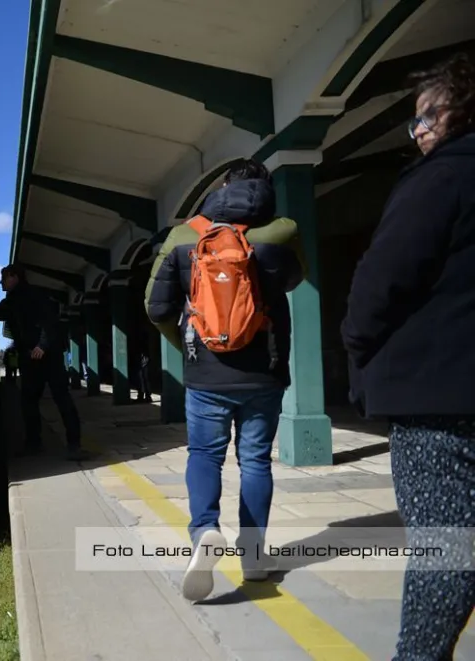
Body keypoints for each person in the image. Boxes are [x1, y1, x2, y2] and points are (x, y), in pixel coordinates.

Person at [340, 52, 475, 661]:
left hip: (435, 398)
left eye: (420, 121)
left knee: (444, 548)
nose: (415, 135)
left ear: (450, 113)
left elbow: (381, 279)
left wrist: (359, 351)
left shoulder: (442, 177)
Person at [144, 158, 306, 602]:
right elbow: (295, 278)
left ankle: (205, 533)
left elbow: (156, 308)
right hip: (264, 373)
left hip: (206, 374)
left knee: (205, 455)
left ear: (220, 188)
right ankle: (253, 556)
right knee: (255, 461)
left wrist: (191, 347)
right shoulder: (281, 232)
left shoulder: (184, 236)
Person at [0, 264, 91, 461]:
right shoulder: (12, 301)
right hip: (30, 357)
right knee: (29, 401)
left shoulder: (35, 295)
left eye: (4, 278)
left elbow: (49, 321)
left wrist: (42, 345)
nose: (1, 282)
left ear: (14, 277)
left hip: (48, 356)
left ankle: (73, 445)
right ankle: (35, 443)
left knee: (61, 399)